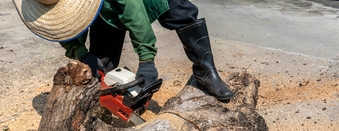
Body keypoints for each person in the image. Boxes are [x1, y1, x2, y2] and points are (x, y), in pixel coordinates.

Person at [13, 0, 233, 103]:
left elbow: (134, 12)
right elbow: (64, 29)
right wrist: (81, 53)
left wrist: (147, 60)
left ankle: (205, 71)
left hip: (132, 1)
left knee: (180, 12)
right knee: (101, 70)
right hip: (105, 9)